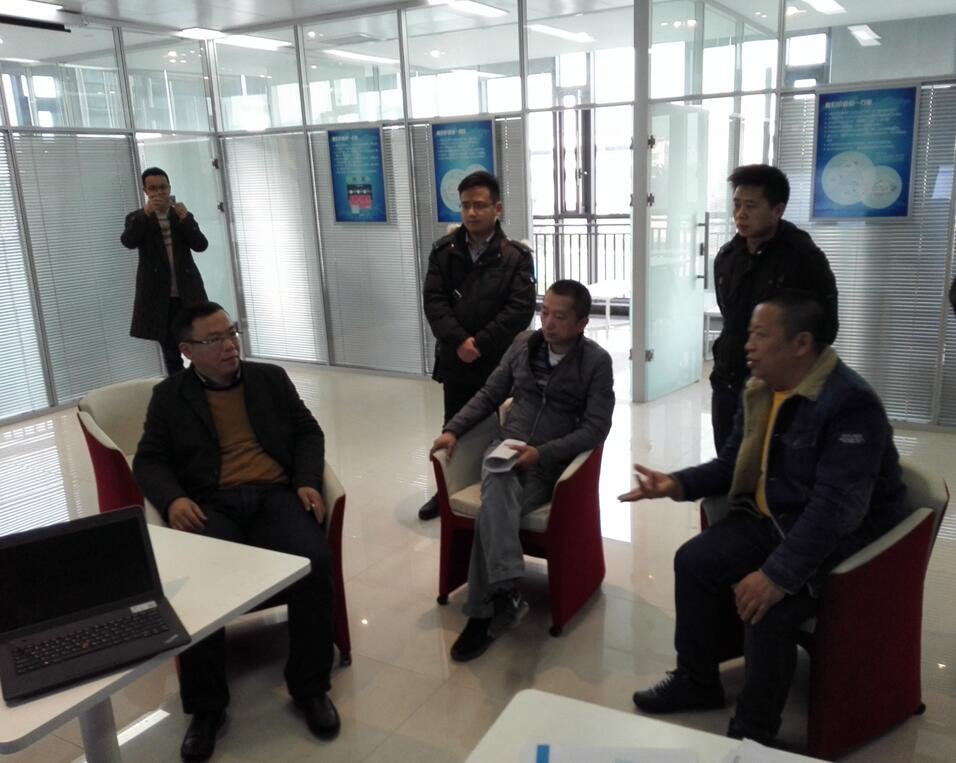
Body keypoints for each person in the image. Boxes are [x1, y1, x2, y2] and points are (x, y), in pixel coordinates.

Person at [619, 290, 909, 747]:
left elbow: (837, 510)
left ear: (801, 343)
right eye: (749, 334)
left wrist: (777, 575)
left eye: (760, 335)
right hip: (777, 520)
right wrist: (674, 484)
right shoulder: (760, 389)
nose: (748, 345)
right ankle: (697, 680)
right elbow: (731, 465)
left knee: (765, 607)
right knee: (693, 561)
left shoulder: (850, 403)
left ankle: (753, 734)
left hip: (846, 541)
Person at [133, 301, 338, 762]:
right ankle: (206, 708)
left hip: (274, 495)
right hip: (212, 503)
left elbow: (308, 432)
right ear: (187, 350)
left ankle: (310, 687)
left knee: (313, 562)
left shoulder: (270, 379)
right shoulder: (170, 396)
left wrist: (306, 480)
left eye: (231, 333)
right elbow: (149, 461)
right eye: (215, 339)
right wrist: (173, 499)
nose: (230, 345)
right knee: (200, 583)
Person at [431, 280, 615, 661]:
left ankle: (492, 606)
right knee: (497, 478)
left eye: (559, 317)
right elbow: (489, 394)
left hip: (549, 467)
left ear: (582, 323)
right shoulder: (522, 345)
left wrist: (542, 454)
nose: (548, 323)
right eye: (544, 312)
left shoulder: (595, 362)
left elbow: (596, 428)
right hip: (505, 451)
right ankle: (499, 598)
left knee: (491, 509)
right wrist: (453, 430)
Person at [419, 170, 536, 520]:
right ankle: (446, 491)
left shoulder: (515, 256)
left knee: (501, 428)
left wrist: (480, 344)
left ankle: (495, 488)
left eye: (480, 205)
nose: (471, 212)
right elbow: (434, 302)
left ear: (497, 208)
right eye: (466, 205)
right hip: (456, 359)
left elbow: (519, 310)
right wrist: (459, 341)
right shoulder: (444, 252)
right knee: (454, 425)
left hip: (498, 361)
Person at [710, 164, 839, 452]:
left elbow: (826, 329)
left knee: (774, 466)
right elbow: (730, 318)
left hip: (778, 387)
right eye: (737, 205)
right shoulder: (728, 257)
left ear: (778, 209)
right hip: (728, 380)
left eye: (751, 206)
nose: (740, 214)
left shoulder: (804, 258)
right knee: (728, 462)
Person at [121, 167, 209, 375]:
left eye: (163, 187)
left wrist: (186, 219)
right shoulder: (137, 218)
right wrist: (145, 214)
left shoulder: (180, 215)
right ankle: (178, 389)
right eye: (153, 188)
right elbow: (128, 241)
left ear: (169, 188)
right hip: (159, 298)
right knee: (171, 353)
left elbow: (200, 245)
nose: (159, 193)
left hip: (188, 293)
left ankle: (203, 382)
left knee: (199, 342)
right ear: (145, 191)